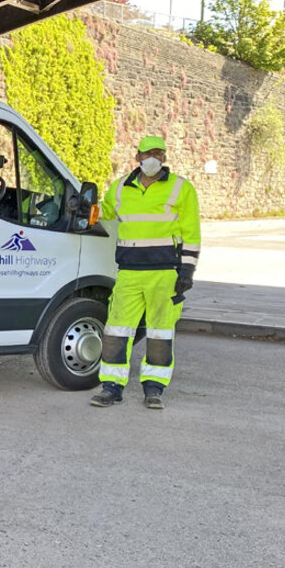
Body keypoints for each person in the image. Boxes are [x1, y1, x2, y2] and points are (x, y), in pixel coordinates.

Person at [90, 135, 201, 410]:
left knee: (160, 333)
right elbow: (103, 212)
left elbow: (191, 233)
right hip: (129, 272)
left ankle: (154, 388)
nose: (154, 158)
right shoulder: (120, 188)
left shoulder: (181, 188)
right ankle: (111, 388)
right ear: (137, 157)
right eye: (148, 153)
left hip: (164, 273)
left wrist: (187, 271)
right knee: (116, 331)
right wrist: (84, 207)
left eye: (159, 153)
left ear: (165, 157)